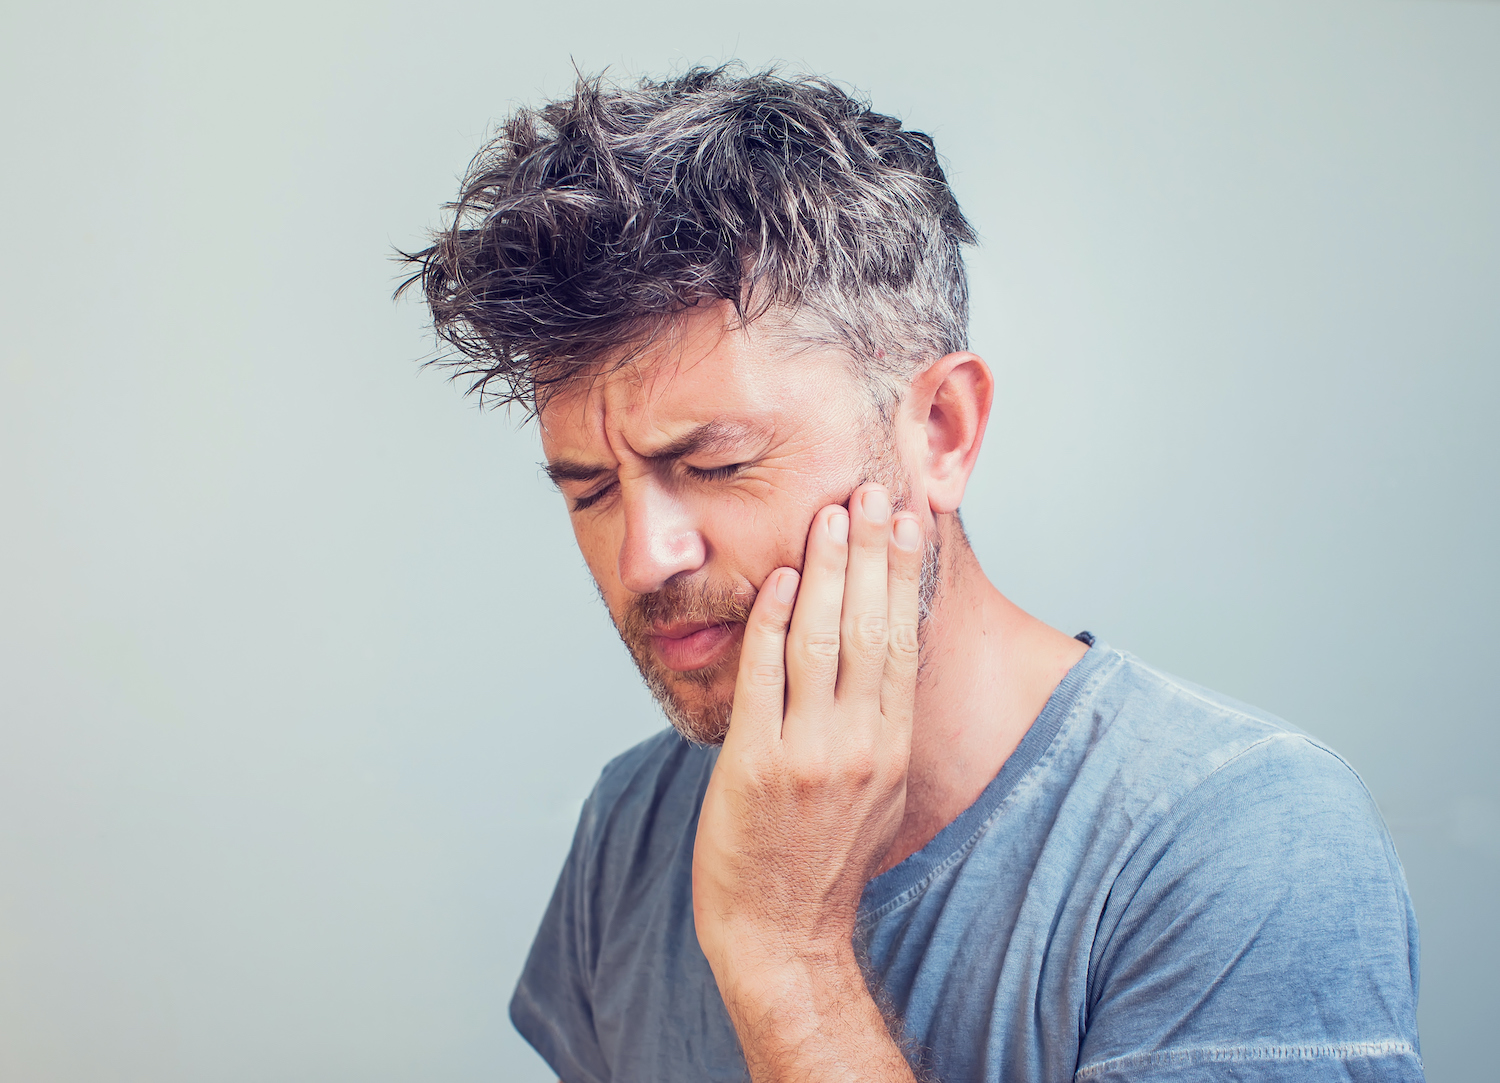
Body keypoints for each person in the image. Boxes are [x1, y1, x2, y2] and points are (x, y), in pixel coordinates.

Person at [400, 66, 1423, 1083]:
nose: (642, 555)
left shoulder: (1241, 840)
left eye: (714, 465)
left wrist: (786, 957)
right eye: (588, 491)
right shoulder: (634, 821)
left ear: (940, 431)